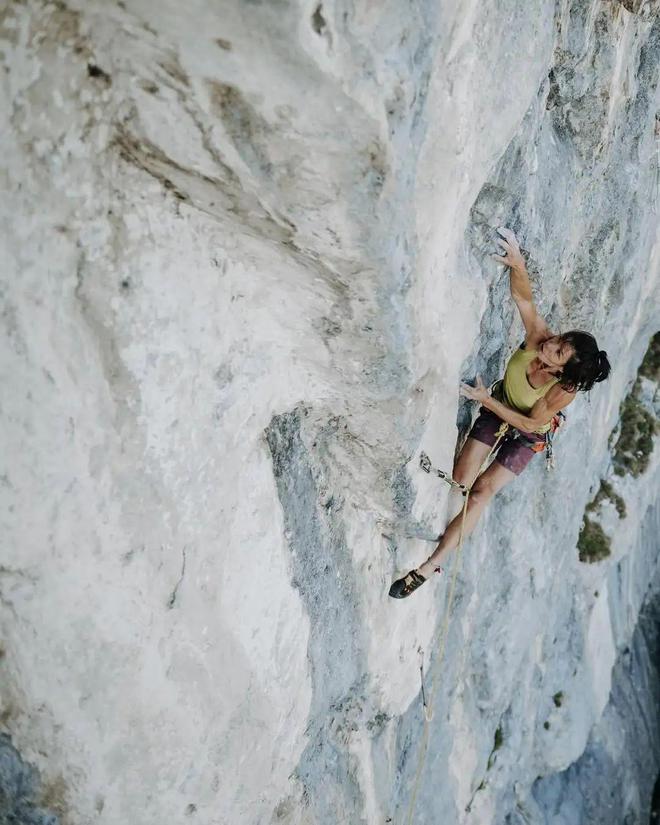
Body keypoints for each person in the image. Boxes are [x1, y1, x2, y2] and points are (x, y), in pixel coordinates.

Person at [389, 227, 611, 599]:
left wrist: (485, 401)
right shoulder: (539, 338)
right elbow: (524, 299)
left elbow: (529, 422)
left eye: (559, 351)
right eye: (561, 340)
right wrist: (517, 264)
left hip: (528, 433)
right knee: (460, 480)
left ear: (562, 372)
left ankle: (427, 568)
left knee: (480, 494)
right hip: (501, 404)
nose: (552, 344)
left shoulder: (561, 393)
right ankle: (447, 536)